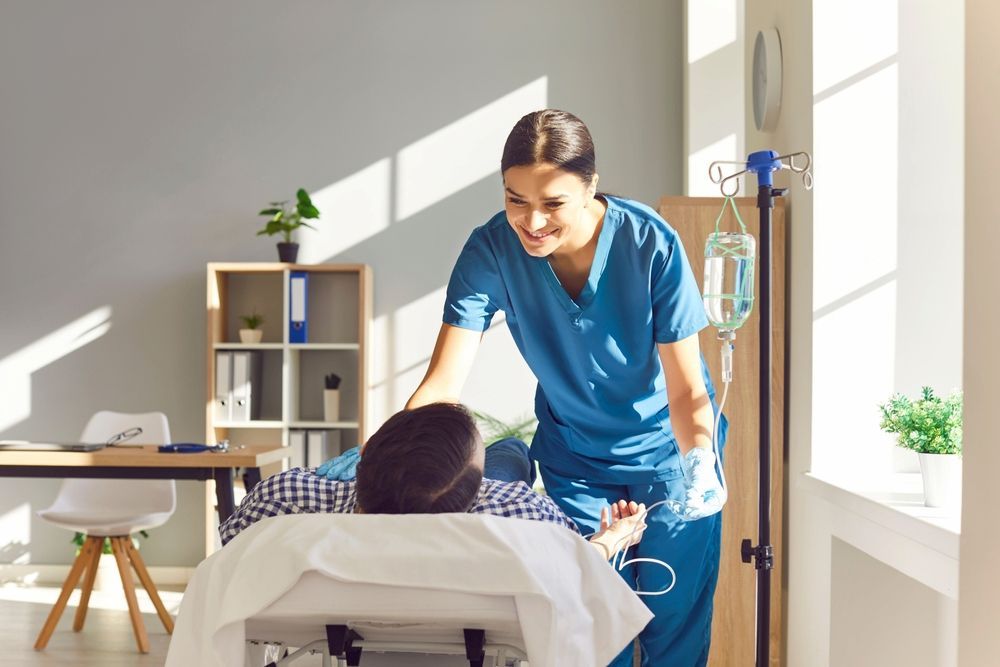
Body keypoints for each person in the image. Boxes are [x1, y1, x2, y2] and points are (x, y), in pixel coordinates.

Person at [397, 109, 728, 667]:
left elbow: (686, 387)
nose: (531, 222)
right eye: (516, 199)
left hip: (671, 459)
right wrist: (398, 463)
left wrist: (699, 460)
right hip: (575, 462)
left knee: (671, 626)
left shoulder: (651, 244)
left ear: (590, 188)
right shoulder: (491, 251)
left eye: (553, 203)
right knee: (594, 629)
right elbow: (443, 383)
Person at [221, 402, 646, 563]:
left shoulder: (287, 495)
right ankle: (504, 452)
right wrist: (614, 537)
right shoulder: (518, 510)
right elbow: (577, 570)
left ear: (365, 456)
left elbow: (230, 554)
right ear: (475, 493)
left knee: (506, 455)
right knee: (512, 452)